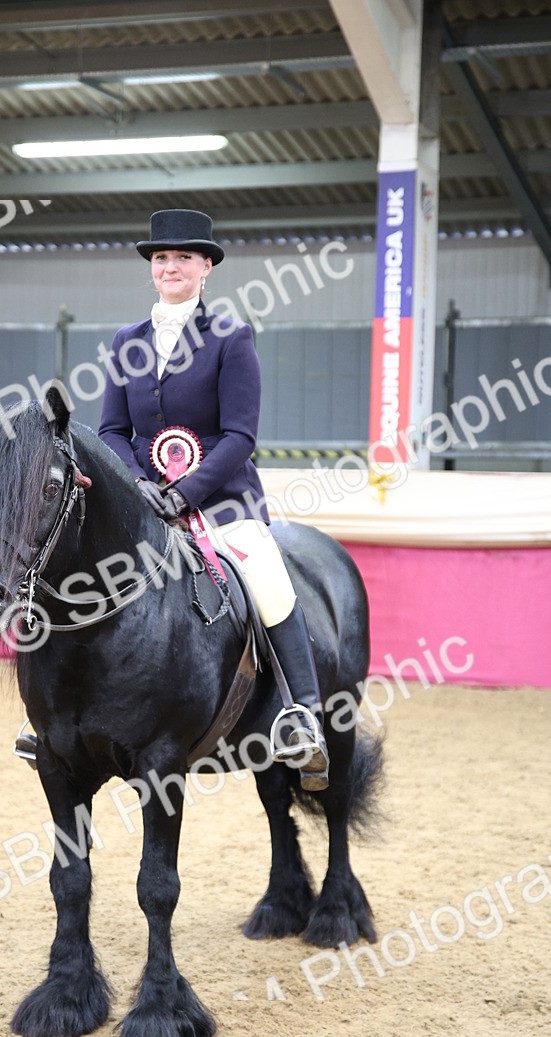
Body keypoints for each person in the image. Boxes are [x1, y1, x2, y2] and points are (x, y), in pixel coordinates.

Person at [98, 208, 330, 790]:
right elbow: (109, 433)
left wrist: (185, 493)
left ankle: (301, 714)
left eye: (181, 258)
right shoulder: (126, 342)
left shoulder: (230, 336)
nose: (170, 267)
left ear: (205, 267)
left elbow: (240, 437)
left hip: (222, 501)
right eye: (161, 259)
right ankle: (56, 715)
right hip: (144, 503)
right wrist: (141, 488)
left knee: (268, 577)